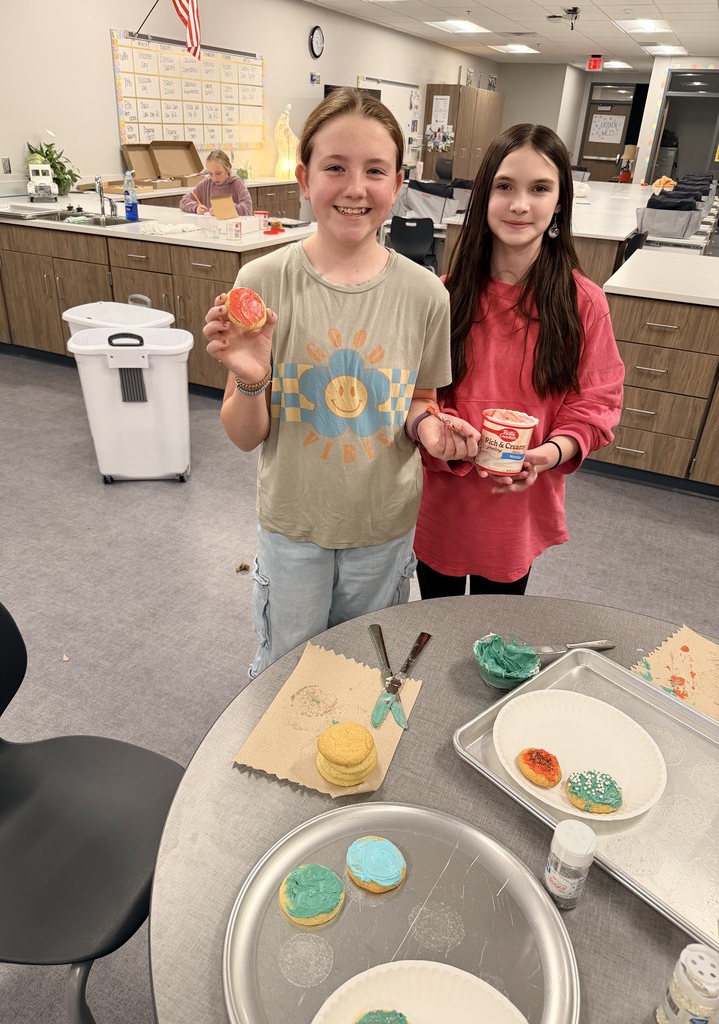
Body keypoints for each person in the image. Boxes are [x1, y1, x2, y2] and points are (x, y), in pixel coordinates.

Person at [202, 88, 474, 676]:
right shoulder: (263, 280)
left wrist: (431, 429)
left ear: (397, 182)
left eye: (374, 170)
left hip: (382, 524)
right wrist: (252, 382)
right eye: (335, 168)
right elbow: (246, 436)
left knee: (363, 667)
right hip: (295, 522)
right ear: (304, 178)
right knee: (287, 668)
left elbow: (418, 400)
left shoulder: (427, 294)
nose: (355, 188)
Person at [413, 123, 625, 598]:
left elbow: (596, 402)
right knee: (434, 619)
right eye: (504, 186)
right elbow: (416, 394)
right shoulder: (442, 296)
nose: (520, 204)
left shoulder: (582, 304)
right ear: (484, 195)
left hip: (517, 506)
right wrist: (440, 430)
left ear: (559, 203)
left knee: (495, 631)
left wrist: (550, 453)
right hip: (444, 499)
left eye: (539, 188)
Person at [179, 149, 253, 216]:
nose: (214, 178)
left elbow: (247, 209)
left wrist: (225, 208)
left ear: (227, 169)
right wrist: (195, 208)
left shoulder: (237, 184)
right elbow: (184, 201)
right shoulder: (206, 184)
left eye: (218, 173)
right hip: (211, 228)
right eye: (210, 174)